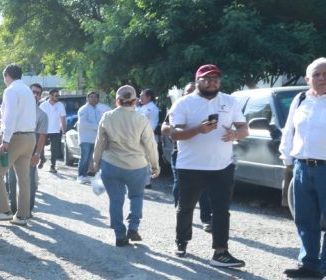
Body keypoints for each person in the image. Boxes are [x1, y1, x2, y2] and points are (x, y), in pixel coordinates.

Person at [167, 64, 249, 267]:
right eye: (207, 79)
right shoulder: (183, 103)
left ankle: (220, 252)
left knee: (221, 210)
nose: (212, 83)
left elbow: (244, 128)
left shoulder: (230, 101)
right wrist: (198, 130)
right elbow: (174, 134)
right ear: (198, 81)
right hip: (190, 166)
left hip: (222, 166)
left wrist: (235, 134)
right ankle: (181, 241)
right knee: (186, 207)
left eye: (216, 79)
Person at [91, 85, 160, 246]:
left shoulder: (107, 117)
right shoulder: (141, 119)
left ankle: (120, 235)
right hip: (137, 166)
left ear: (117, 101)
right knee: (136, 196)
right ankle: (133, 227)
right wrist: (155, 165)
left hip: (111, 165)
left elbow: (99, 143)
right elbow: (150, 145)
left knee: (116, 201)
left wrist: (95, 163)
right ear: (135, 101)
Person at [279, 57, 326, 280]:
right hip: (302, 167)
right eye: (317, 74)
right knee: (304, 218)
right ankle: (309, 265)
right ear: (308, 79)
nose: (322, 78)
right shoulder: (300, 99)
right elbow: (289, 131)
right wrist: (287, 159)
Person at [0, 64, 37, 226]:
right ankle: (22, 216)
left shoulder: (11, 90)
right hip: (30, 137)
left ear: (7, 75)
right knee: (24, 179)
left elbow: (9, 117)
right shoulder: (28, 90)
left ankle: (4, 211)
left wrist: (5, 141)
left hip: (14, 138)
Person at [161, 82, 212, 230]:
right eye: (188, 91)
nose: (191, 94)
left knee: (204, 187)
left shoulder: (206, 108)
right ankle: (181, 212)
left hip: (202, 154)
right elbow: (164, 128)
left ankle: (206, 219)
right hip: (180, 154)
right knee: (180, 184)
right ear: (183, 94)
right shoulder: (177, 107)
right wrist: (175, 129)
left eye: (194, 91)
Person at [5, 83, 47, 215]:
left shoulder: (42, 115)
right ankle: (13, 209)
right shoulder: (17, 109)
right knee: (11, 180)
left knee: (28, 182)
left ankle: (27, 210)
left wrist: (37, 154)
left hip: (30, 152)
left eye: (38, 93)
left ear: (40, 97)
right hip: (13, 149)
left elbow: (42, 136)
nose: (35, 95)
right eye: (33, 92)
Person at [76, 91, 110, 184]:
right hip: (85, 138)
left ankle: (85, 175)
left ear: (98, 99)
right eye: (91, 97)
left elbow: (100, 122)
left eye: (95, 97)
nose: (93, 99)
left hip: (94, 138)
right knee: (84, 157)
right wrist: (97, 127)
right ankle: (80, 176)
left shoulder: (97, 110)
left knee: (89, 158)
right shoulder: (83, 109)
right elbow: (84, 123)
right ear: (87, 98)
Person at [39, 89, 67, 173]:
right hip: (44, 130)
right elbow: (39, 117)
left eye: (58, 95)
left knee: (54, 149)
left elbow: (63, 118)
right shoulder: (43, 105)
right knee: (40, 146)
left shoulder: (60, 105)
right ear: (50, 96)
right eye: (56, 95)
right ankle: (42, 158)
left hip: (56, 130)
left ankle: (52, 166)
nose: (58, 97)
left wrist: (64, 131)